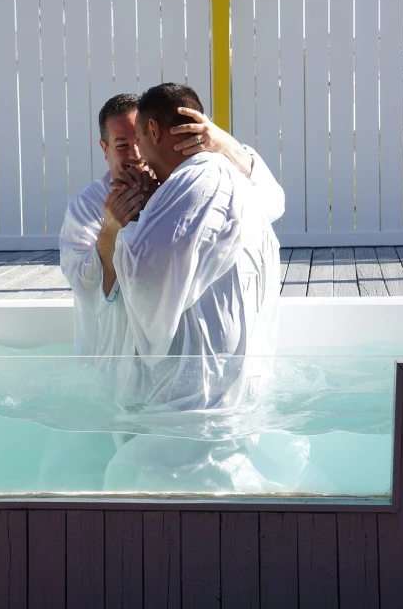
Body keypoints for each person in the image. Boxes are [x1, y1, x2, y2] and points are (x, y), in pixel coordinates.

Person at [99, 83, 282, 491]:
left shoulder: (194, 182)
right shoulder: (232, 179)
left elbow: (149, 277)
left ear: (153, 130)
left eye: (139, 141)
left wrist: (125, 225)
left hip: (197, 395)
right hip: (231, 383)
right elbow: (275, 198)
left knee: (171, 490)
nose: (140, 157)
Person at [60, 92, 284, 359]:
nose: (136, 154)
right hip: (110, 359)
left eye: (139, 140)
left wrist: (226, 144)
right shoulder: (87, 206)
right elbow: (86, 290)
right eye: (122, 145)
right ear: (104, 148)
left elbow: (271, 203)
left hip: (174, 360)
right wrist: (110, 230)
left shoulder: (189, 187)